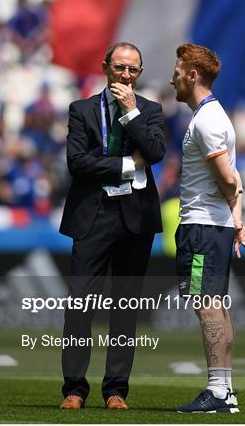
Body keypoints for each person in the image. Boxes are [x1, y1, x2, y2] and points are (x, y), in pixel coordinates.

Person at [59, 42, 165, 410]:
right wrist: (124, 166)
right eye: (119, 67)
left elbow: (155, 153)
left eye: (133, 70)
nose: (125, 75)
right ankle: (74, 388)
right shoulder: (82, 109)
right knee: (81, 304)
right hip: (93, 214)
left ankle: (116, 389)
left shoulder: (150, 110)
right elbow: (77, 163)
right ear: (105, 67)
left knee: (125, 306)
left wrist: (132, 113)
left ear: (140, 73)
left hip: (135, 218)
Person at [170, 43, 245, 414]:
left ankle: (217, 391)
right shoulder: (215, 116)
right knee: (217, 306)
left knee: (206, 306)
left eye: (178, 70)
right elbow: (234, 178)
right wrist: (236, 218)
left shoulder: (205, 120)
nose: (173, 77)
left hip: (202, 227)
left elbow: (227, 177)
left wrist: (231, 208)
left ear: (193, 75)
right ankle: (226, 388)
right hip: (214, 225)